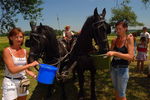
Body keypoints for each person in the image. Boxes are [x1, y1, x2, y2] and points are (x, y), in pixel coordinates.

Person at [2, 28, 39, 100]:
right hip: (10, 82)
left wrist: (34, 75)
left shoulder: (24, 51)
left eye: (21, 37)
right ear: (11, 38)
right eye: (16, 37)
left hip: (23, 82)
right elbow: (12, 70)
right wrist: (29, 65)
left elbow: (25, 69)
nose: (19, 39)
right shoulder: (7, 51)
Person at [106, 21, 134, 100]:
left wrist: (115, 53)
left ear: (126, 28)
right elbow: (109, 53)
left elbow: (130, 57)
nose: (117, 31)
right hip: (113, 68)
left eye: (120, 29)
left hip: (123, 69)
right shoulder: (114, 41)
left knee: (122, 94)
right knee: (116, 91)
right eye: (116, 29)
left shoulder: (129, 38)